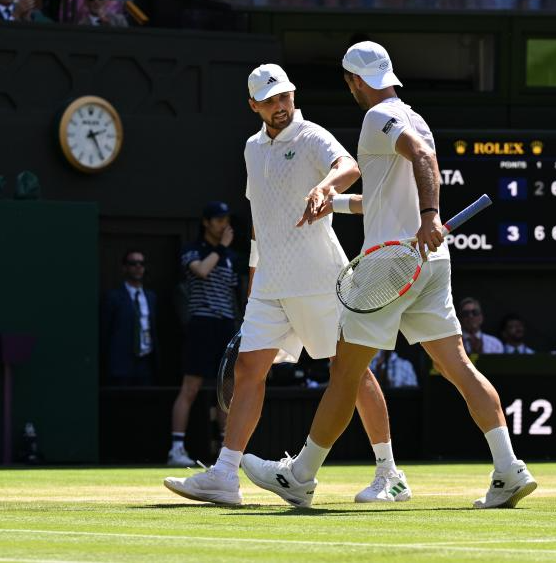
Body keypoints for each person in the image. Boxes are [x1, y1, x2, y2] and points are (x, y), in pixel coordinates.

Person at [239, 42, 537, 510]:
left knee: (345, 373)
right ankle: (509, 468)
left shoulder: (377, 117)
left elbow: (422, 158)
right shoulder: (414, 116)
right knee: (457, 367)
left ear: (354, 81)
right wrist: (332, 203)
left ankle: (299, 477)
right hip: (429, 263)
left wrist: (430, 214)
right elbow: (381, 197)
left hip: (389, 266)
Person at [165, 65, 412, 505]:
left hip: (320, 281)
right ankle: (225, 475)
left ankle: (389, 474)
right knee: (248, 371)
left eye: (285, 97)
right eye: (270, 100)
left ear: (293, 96)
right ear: (254, 105)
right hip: (270, 284)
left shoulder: (312, 135)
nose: (280, 106)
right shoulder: (251, 149)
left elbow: (349, 167)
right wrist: (254, 277)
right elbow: (259, 218)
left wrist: (325, 188)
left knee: (350, 373)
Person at [166, 201, 240, 468]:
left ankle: (226, 452)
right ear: (206, 222)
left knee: (226, 390)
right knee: (191, 387)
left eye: (226, 220)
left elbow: (234, 294)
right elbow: (201, 270)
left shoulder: (231, 257)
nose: (224, 225)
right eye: (219, 220)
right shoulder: (193, 250)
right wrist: (221, 248)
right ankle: (176, 449)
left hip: (226, 326)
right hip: (201, 324)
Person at [101, 250, 158, 385]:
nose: (138, 267)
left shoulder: (151, 297)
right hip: (120, 364)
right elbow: (105, 331)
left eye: (141, 263)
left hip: (145, 362)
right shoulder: (113, 297)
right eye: (133, 263)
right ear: (124, 268)